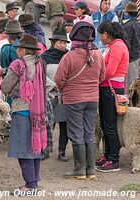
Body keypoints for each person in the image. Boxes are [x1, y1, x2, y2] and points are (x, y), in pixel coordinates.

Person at [54, 21, 105, 179]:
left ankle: (79, 169)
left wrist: (66, 87)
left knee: (76, 133)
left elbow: (58, 79)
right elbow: (102, 76)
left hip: (74, 99)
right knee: (89, 133)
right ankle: (91, 169)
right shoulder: (97, 54)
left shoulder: (69, 56)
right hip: (92, 99)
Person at [1, 34, 47, 192]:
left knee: (23, 149)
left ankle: (30, 185)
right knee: (35, 147)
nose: (17, 51)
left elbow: (6, 87)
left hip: (22, 110)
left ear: (22, 50)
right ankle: (34, 181)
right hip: (38, 111)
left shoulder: (18, 64)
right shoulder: (40, 62)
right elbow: (48, 85)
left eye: (18, 48)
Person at [96, 21, 129, 173]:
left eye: (100, 34)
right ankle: (108, 155)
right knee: (105, 124)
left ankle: (114, 160)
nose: (100, 38)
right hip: (107, 89)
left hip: (111, 90)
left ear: (106, 34)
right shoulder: (113, 45)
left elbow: (109, 71)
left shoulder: (117, 46)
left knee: (109, 126)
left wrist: (95, 77)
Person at [41, 27, 70, 162]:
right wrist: (52, 86)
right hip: (49, 95)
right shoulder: (45, 57)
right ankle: (45, 149)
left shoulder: (68, 56)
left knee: (64, 125)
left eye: (64, 43)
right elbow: (41, 74)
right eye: (60, 42)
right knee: (48, 123)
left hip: (64, 95)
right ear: (53, 43)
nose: (63, 45)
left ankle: (62, 151)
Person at [122, 2, 140, 92]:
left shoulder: (128, 26)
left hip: (131, 58)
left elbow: (126, 43)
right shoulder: (137, 24)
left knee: (130, 85)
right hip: (136, 56)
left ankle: (130, 103)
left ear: (127, 13)